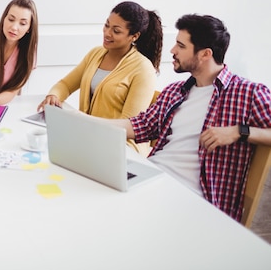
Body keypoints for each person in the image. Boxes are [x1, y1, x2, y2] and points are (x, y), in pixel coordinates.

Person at [107, 14, 271, 221]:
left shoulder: (248, 93)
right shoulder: (176, 91)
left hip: (191, 201)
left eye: (181, 46)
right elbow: (140, 125)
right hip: (152, 178)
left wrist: (240, 131)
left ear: (205, 54)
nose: (172, 51)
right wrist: (84, 122)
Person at [37, 1, 163, 153]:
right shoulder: (95, 54)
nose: (107, 33)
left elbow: (128, 126)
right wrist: (53, 95)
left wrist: (81, 122)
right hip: (89, 137)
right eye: (106, 25)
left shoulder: (143, 70)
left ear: (134, 36)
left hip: (121, 148)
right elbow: (65, 84)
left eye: (116, 31)